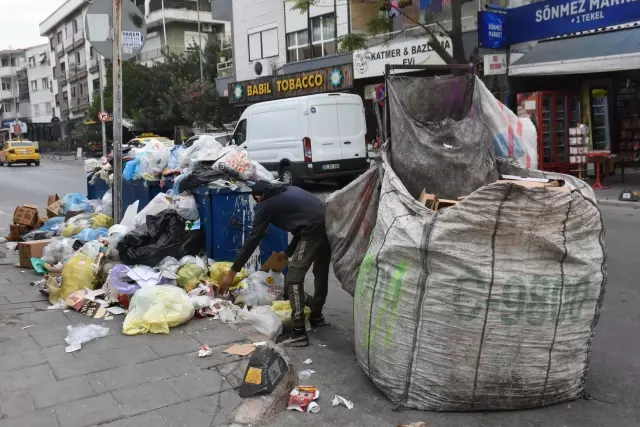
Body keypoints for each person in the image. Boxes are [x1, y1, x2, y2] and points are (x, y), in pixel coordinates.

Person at [219, 181, 330, 347]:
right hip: (328, 222)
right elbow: (301, 226)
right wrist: (287, 253)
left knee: (293, 278)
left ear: (257, 197)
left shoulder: (266, 204)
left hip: (313, 230)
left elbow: (253, 239)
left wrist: (231, 274)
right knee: (321, 271)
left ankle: (299, 331)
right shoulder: (289, 190)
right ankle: (316, 315)